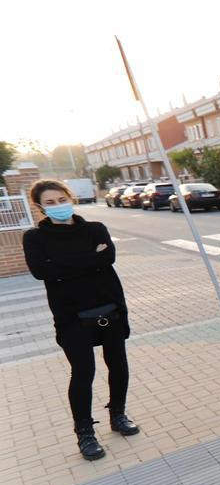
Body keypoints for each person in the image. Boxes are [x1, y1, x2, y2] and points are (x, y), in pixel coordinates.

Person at [23, 179, 140, 460]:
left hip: (109, 307)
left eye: (61, 199)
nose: (57, 206)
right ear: (39, 207)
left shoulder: (96, 229)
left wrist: (63, 266)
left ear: (70, 198)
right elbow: (41, 271)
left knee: (118, 365)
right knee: (83, 372)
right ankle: (85, 433)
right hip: (71, 316)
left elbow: (107, 258)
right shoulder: (35, 238)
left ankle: (118, 415)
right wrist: (90, 259)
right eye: (49, 203)